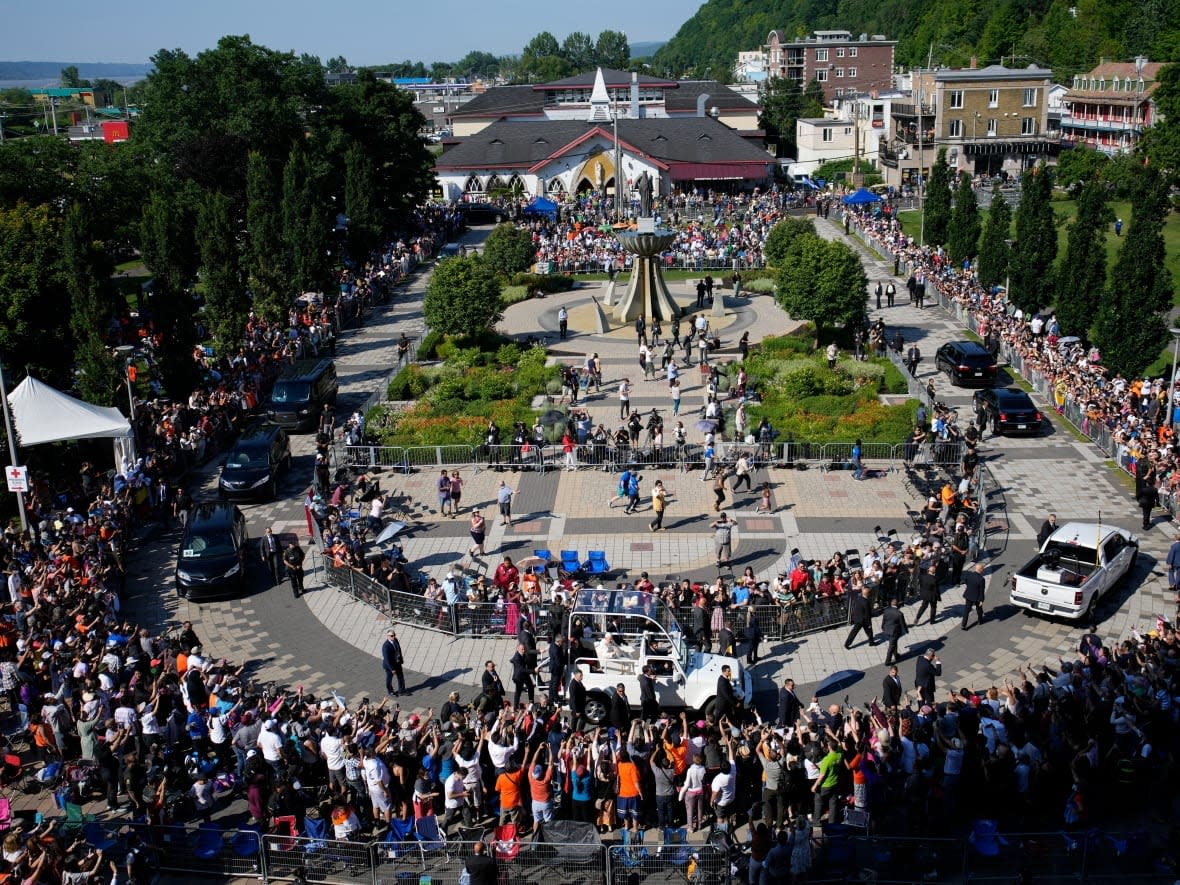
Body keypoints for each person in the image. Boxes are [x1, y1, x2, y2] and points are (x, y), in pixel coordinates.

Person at [881, 597, 907, 666]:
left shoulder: (886, 611)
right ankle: (887, 661)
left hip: (887, 629)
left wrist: (882, 627)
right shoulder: (899, 613)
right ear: (897, 604)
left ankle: (896, 655)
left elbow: (884, 620)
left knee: (893, 642)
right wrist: (906, 630)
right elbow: (902, 623)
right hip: (894, 631)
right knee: (891, 646)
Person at [961, 562, 987, 630]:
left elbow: (966, 582)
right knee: (979, 610)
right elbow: (982, 591)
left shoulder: (969, 575)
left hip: (969, 595)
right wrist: (981, 600)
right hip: (977, 597)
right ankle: (980, 620)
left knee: (966, 610)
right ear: (980, 569)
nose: (983, 570)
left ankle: (963, 625)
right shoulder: (981, 579)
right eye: (983, 569)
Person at [383, 629, 407, 697]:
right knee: (389, 679)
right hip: (390, 666)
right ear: (387, 636)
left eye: (394, 635)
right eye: (391, 636)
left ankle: (401, 691)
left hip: (397, 663)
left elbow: (399, 649)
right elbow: (387, 659)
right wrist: (392, 669)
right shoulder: (386, 646)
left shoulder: (395, 640)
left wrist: (401, 659)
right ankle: (390, 691)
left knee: (401, 677)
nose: (393, 637)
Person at [510, 642, 535, 707]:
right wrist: (533, 670)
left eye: (524, 649)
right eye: (522, 649)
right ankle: (515, 705)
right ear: (518, 649)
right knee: (518, 691)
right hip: (519, 676)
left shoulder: (522, 654)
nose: (524, 651)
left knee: (531, 687)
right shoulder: (517, 657)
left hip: (524, 675)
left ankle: (531, 702)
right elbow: (522, 669)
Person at [569, 667, 588, 732]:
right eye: (580, 676)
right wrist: (576, 710)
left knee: (583, 718)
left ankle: (579, 731)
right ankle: (574, 732)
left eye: (582, 675)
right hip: (576, 706)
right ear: (576, 675)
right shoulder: (573, 685)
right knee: (575, 720)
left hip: (580, 705)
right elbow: (573, 699)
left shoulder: (578, 682)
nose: (582, 677)